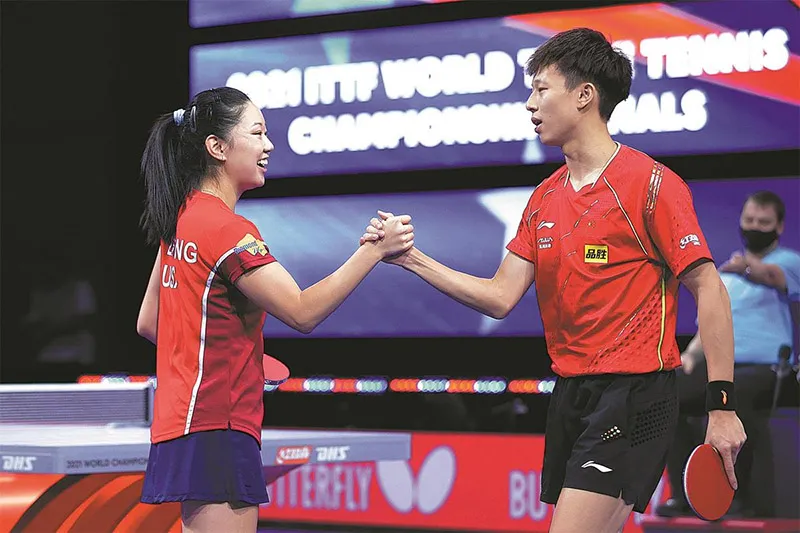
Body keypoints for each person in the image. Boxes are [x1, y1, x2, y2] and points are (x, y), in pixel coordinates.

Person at [362, 28, 746, 532]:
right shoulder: (544, 197)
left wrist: (721, 406)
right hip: (571, 393)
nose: (529, 104)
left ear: (584, 95)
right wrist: (411, 259)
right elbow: (500, 297)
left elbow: (709, 289)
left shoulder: (651, 185)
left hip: (632, 394)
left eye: (541, 89)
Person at [135, 87, 414, 533]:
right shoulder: (227, 229)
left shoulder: (182, 218)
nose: (268, 146)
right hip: (219, 426)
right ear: (217, 148)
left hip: (182, 425)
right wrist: (374, 252)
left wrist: (235, 353)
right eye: (258, 132)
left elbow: (151, 322)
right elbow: (302, 312)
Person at [657, 191, 800, 518]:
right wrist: (690, 354)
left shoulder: (788, 262)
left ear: (778, 227)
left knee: (735, 400)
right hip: (721, 367)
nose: (755, 227)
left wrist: (744, 267)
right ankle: (684, 496)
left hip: (767, 370)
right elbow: (708, 326)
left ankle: (739, 499)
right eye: (749, 220)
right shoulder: (723, 279)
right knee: (667, 393)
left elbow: (772, 277)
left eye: (763, 222)